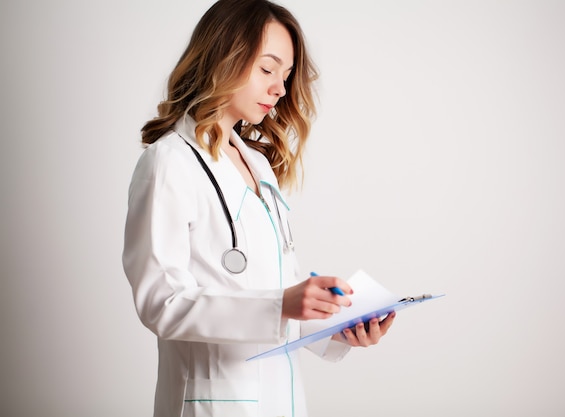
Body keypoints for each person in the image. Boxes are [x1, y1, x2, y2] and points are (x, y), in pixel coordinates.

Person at [122, 1, 395, 416]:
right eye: (267, 70)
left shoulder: (257, 164)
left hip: (281, 400)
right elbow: (162, 303)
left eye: (285, 76)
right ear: (221, 57)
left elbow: (276, 290)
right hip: (213, 403)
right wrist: (282, 304)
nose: (280, 89)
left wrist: (341, 326)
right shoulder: (168, 162)